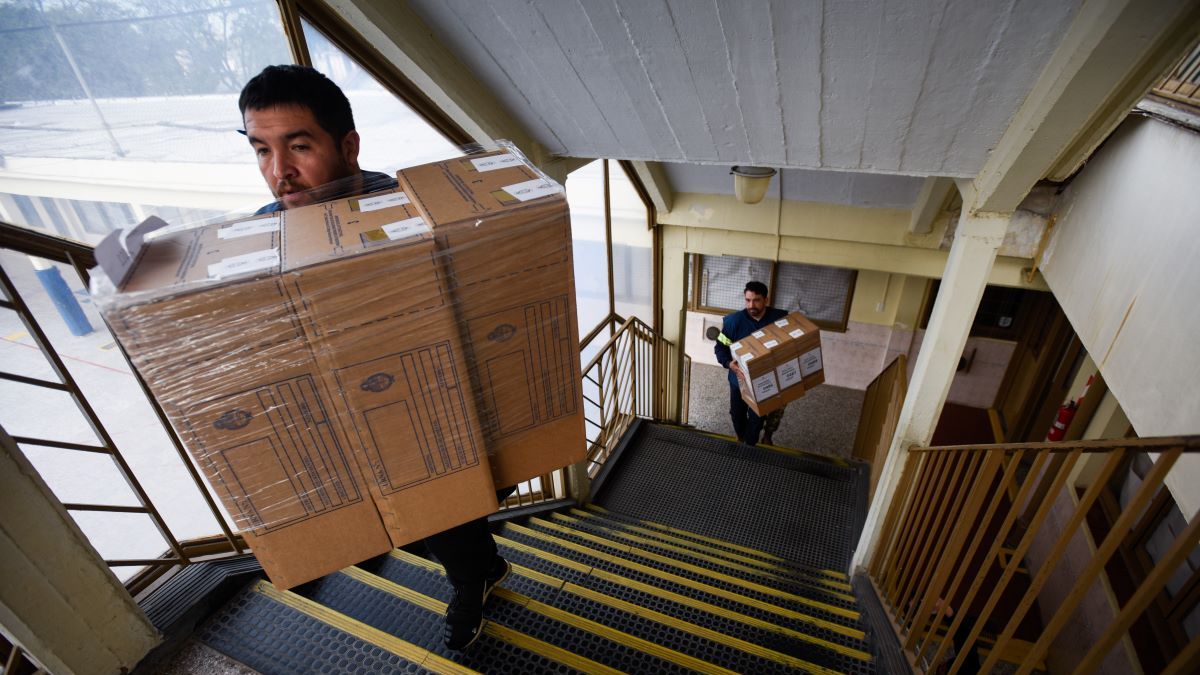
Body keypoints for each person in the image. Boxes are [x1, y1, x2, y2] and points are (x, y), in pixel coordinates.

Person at [238, 64, 511, 651]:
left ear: (349, 146)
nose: (278, 173)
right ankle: (463, 561)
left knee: (448, 519)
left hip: (430, 418)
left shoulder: (417, 219)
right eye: (261, 151)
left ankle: (475, 578)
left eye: (299, 147)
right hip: (339, 426)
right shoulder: (267, 233)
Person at [713, 281, 788, 446]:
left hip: (764, 380)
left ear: (766, 300)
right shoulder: (733, 322)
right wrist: (728, 363)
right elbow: (720, 348)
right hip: (738, 381)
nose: (751, 305)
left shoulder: (779, 320)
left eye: (756, 300)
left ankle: (750, 446)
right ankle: (741, 438)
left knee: (757, 417)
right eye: (748, 300)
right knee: (736, 414)